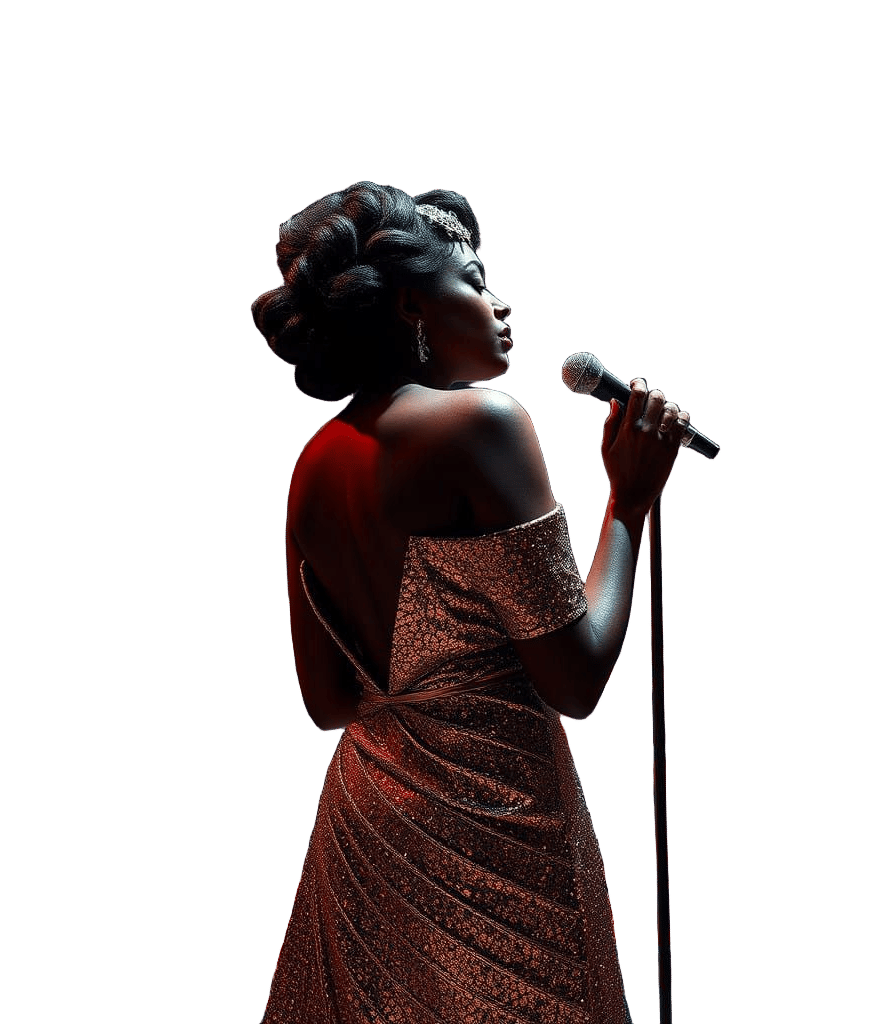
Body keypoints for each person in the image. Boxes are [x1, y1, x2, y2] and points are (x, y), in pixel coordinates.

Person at [250, 181, 692, 1024]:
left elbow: (329, 701)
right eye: (475, 280)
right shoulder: (483, 424)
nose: (500, 301)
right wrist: (628, 505)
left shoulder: (314, 465)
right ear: (413, 304)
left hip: (368, 829)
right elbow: (577, 679)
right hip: (496, 831)